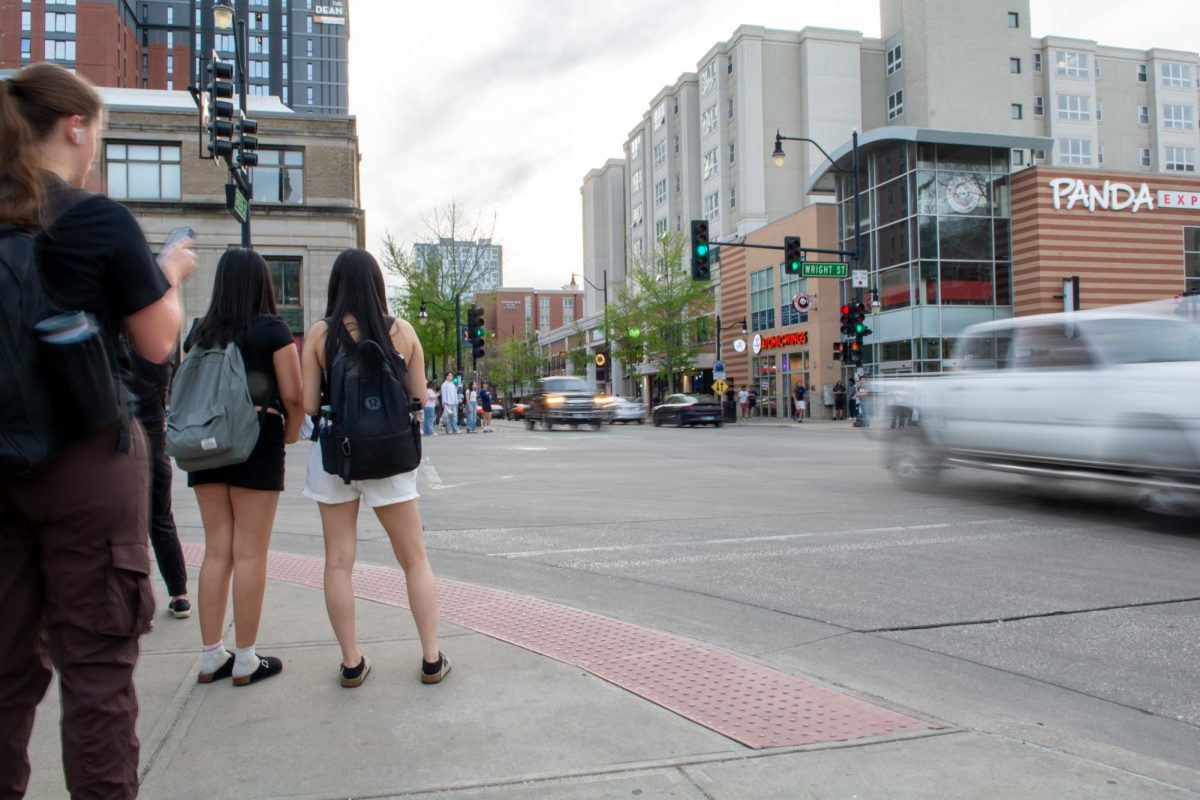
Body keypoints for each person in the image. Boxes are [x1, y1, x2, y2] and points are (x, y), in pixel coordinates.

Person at [0, 63, 196, 799]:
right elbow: (154, 343)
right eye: (98, 135)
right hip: (84, 459)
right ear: (75, 128)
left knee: (4, 674)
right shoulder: (92, 218)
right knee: (96, 675)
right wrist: (167, 275)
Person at [301, 248, 449, 687]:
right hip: (390, 455)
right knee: (414, 559)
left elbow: (310, 404)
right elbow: (419, 396)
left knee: (338, 563)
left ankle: (351, 663)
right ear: (378, 284)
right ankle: (431, 658)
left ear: (335, 285)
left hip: (336, 459)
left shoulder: (318, 335)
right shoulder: (401, 331)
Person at [184, 248, 304, 688]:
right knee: (250, 552)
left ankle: (211, 654)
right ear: (263, 284)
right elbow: (293, 395)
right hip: (257, 442)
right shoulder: (272, 329)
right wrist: (290, 433)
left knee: (217, 550)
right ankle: (247, 659)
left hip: (206, 445)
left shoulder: (199, 331)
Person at [129, 352, 190, 617]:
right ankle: (179, 595)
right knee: (162, 521)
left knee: (128, 529)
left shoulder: (118, 355)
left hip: (123, 443)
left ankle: (138, 604)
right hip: (156, 446)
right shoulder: (157, 359)